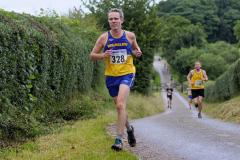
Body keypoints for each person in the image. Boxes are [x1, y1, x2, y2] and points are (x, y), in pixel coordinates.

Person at [90, 8, 142, 151]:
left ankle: (119, 139)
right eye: (111, 19)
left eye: (116, 18)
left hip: (127, 73)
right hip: (111, 76)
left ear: (121, 20)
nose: (113, 21)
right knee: (120, 108)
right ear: (108, 21)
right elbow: (92, 55)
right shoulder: (103, 38)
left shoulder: (130, 36)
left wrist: (137, 53)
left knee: (120, 105)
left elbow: (136, 50)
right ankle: (129, 129)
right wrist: (103, 55)